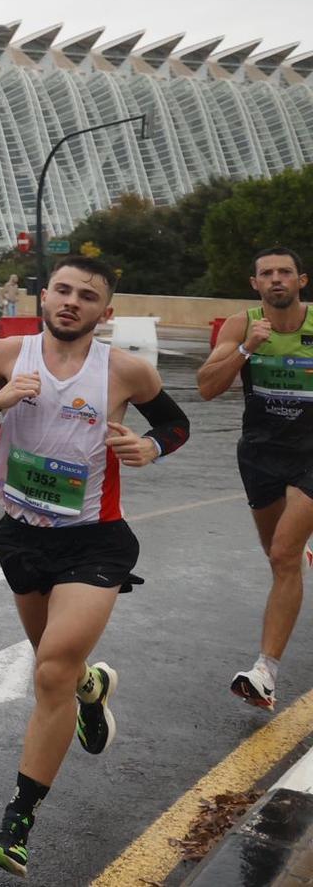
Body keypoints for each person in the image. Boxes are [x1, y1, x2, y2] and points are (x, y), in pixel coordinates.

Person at [0, 256, 190, 877]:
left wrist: (150, 445)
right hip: (21, 538)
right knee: (60, 668)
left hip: (95, 542)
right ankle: (89, 689)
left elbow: (175, 424)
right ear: (43, 297)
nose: (72, 302)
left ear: (106, 311)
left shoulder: (124, 370)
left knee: (49, 673)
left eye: (87, 295)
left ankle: (17, 825)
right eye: (63, 290)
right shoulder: (5, 356)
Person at [196, 246, 313, 710]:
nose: (276, 279)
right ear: (255, 284)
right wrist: (247, 349)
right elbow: (207, 387)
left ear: (301, 280)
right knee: (278, 557)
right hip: (261, 454)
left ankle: (265, 672)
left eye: (285, 272)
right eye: (267, 273)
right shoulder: (241, 325)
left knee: (284, 553)